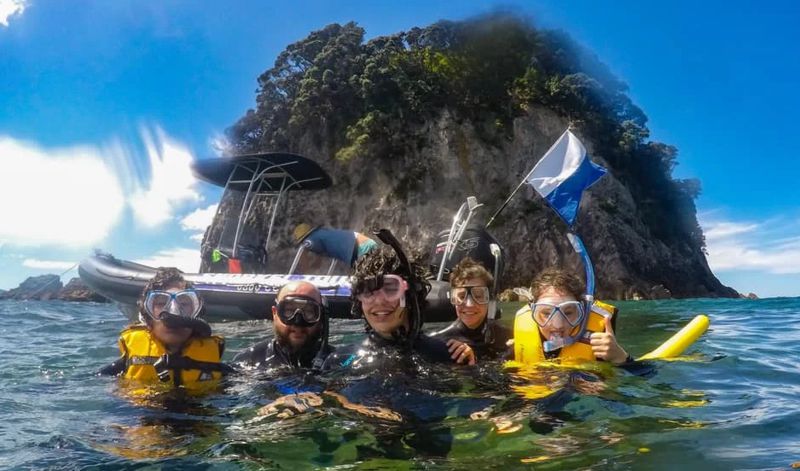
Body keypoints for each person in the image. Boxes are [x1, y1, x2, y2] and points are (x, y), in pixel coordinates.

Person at [324, 231, 463, 370]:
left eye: (390, 289)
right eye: (368, 291)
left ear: (410, 297)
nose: (378, 302)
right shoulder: (339, 362)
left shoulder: (449, 357)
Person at [98, 267, 232, 388]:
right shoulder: (124, 366)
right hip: (141, 413)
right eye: (161, 303)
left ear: (196, 314)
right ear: (147, 316)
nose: (174, 312)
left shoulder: (219, 369)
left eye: (184, 304)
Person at [514, 268, 631, 365]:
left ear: (583, 311)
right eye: (546, 313)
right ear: (533, 311)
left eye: (568, 313)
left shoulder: (599, 344)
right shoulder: (522, 335)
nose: (558, 325)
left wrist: (619, 356)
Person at [233, 280, 332, 370]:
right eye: (289, 311)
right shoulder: (250, 359)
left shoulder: (337, 361)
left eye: (309, 312)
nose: (298, 322)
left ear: (321, 317)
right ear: (274, 313)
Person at [431, 257, 511, 361]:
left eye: (478, 296)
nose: (469, 304)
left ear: (489, 299)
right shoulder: (440, 342)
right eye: (461, 296)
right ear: (453, 299)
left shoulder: (508, 337)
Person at [293, 223, 378, 267]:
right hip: (365, 242)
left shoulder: (309, 240)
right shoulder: (321, 234)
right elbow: (319, 259)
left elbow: (304, 252)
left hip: (359, 248)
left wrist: (304, 274)